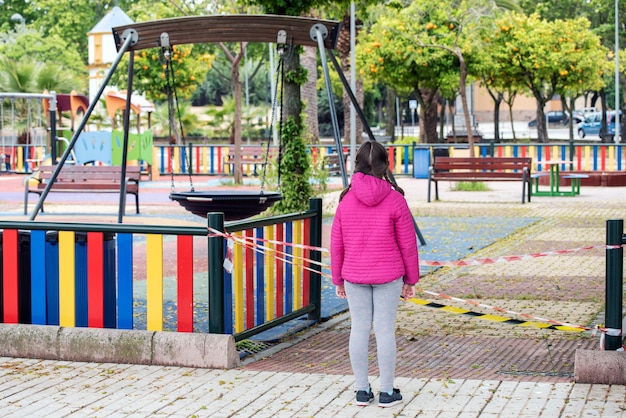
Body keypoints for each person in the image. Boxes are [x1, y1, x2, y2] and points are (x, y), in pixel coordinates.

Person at [331, 140, 419, 408]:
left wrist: (337, 278)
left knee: (358, 328)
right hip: (388, 275)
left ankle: (361, 390)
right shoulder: (395, 199)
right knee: (384, 330)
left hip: (354, 274)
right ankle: (386, 392)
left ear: (355, 165)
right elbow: (407, 243)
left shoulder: (345, 200)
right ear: (385, 167)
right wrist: (411, 280)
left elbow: (337, 242)